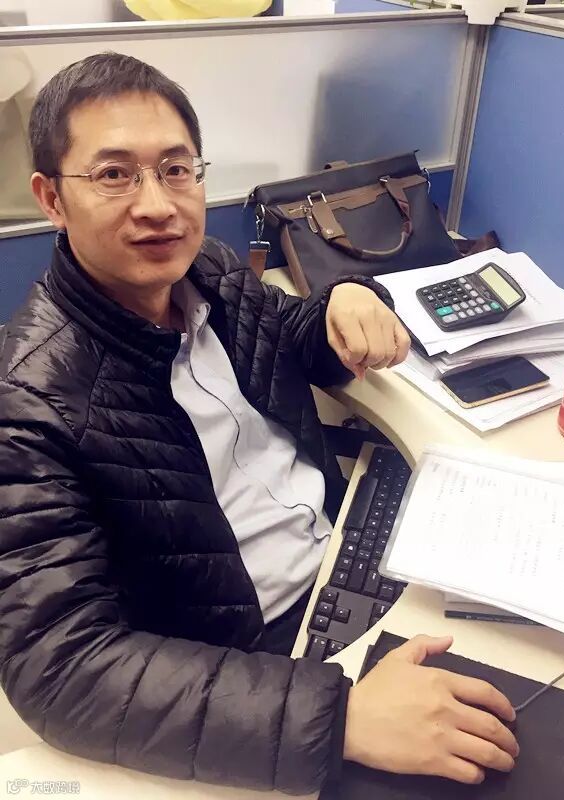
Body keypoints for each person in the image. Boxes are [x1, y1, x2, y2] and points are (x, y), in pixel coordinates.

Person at [0, 53, 518, 795]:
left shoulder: (208, 273)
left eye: (176, 169)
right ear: (52, 198)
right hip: (258, 661)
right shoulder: (29, 400)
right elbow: (60, 667)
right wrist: (339, 719)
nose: (158, 205)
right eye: (114, 174)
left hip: (350, 552)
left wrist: (346, 300)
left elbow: (287, 336)